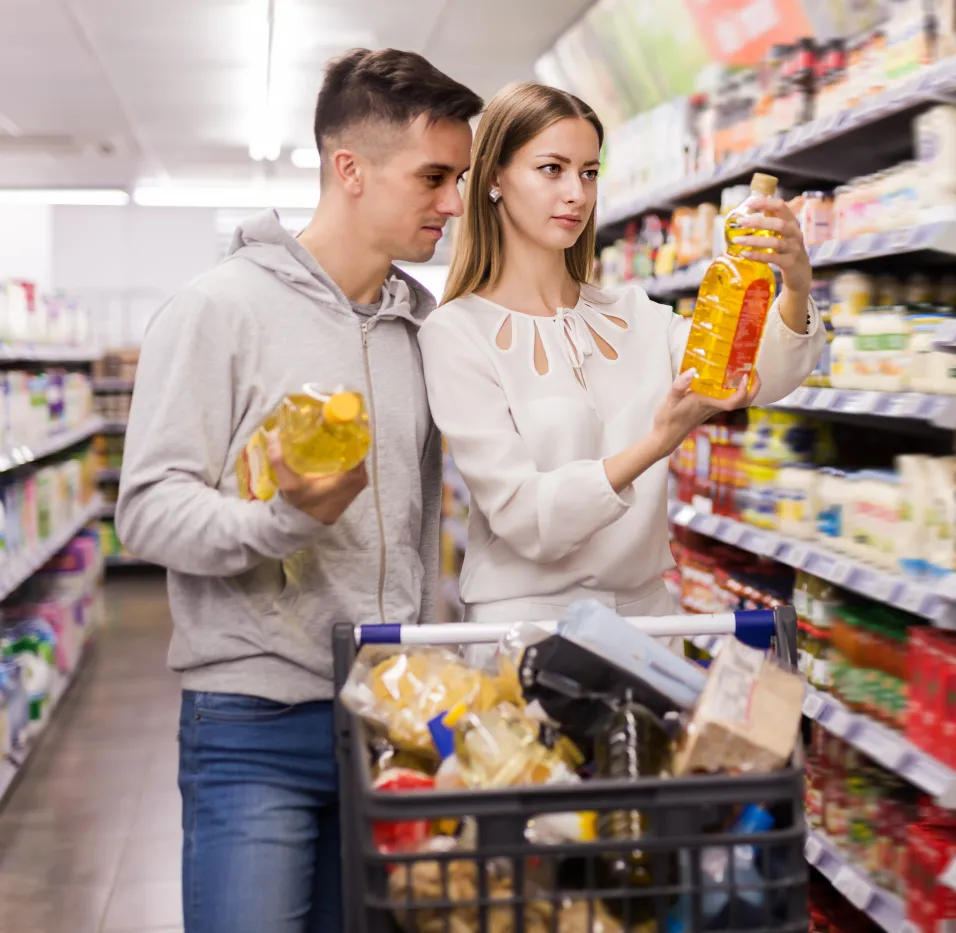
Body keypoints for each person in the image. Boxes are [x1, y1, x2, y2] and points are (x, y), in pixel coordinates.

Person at [115, 49, 481, 933]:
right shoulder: (219, 311)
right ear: (349, 170)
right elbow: (147, 510)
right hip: (253, 723)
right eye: (434, 176)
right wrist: (286, 517)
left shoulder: (423, 331)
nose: (454, 202)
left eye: (461, 178)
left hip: (388, 717)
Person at [418, 83, 824, 625]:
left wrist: (794, 282)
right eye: (551, 169)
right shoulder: (456, 332)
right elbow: (524, 516)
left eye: (588, 172)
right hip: (527, 630)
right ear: (494, 177)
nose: (577, 194)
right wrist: (657, 442)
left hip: (647, 621)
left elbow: (756, 375)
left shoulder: (636, 315)